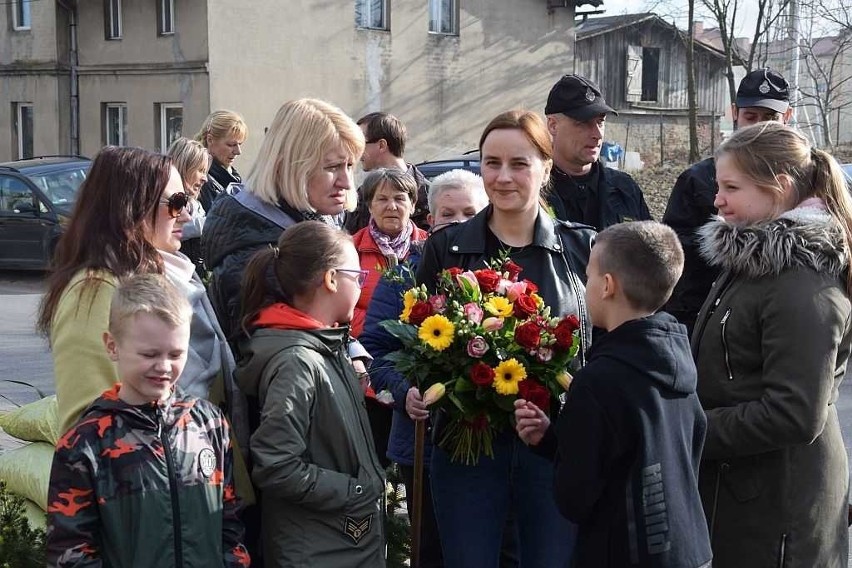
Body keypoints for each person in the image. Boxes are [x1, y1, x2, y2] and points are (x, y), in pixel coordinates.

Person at [412, 109, 595, 567]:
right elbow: (417, 345)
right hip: (467, 449)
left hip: (552, 448)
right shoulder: (444, 248)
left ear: (546, 167)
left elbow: (602, 349)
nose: (503, 177)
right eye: (491, 163)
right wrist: (414, 388)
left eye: (519, 163)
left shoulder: (582, 248)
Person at [691, 122, 852, 566]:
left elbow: (794, 414)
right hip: (744, 493)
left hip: (781, 511)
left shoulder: (802, 279)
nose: (717, 199)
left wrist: (691, 428)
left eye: (730, 187)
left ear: (778, 188)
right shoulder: (754, 258)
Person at [514, 221, 712, 568]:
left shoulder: (599, 380)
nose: (585, 283)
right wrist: (552, 439)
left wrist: (567, 447)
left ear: (607, 285)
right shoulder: (677, 361)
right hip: (687, 549)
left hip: (622, 551)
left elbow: (575, 497)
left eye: (588, 275)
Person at [46, 274, 249, 567]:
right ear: (112, 346)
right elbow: (70, 552)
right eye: (149, 354)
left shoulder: (210, 425)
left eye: (176, 353)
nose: (164, 366)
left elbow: (229, 521)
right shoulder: (85, 444)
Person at [236, 221, 386, 567]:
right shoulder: (297, 361)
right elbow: (277, 465)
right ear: (332, 279)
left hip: (340, 541)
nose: (362, 286)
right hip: (318, 550)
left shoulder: (325, 348)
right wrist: (357, 491)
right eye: (357, 276)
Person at [360, 168, 489, 568]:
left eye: (470, 213)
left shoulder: (503, 275)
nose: (459, 224)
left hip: (491, 438)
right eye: (448, 215)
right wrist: (404, 391)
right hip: (424, 439)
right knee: (431, 549)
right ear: (429, 220)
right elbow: (375, 348)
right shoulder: (403, 273)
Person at [37, 146, 179, 435]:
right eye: (176, 202)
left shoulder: (159, 277)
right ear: (133, 206)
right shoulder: (95, 290)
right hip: (138, 475)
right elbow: (86, 424)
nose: (186, 214)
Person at [202, 98, 364, 346]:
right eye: (332, 167)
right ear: (290, 165)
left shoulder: (315, 214)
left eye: (350, 166)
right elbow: (276, 363)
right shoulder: (251, 249)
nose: (347, 182)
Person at [663, 67, 792, 333]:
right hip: (707, 319)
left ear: (787, 117)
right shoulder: (698, 179)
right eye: (750, 116)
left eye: (770, 118)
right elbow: (677, 258)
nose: (758, 127)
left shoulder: (803, 180)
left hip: (782, 318)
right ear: (735, 113)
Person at [544, 74, 652, 229]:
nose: (598, 134)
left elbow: (648, 249)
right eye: (583, 123)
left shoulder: (625, 189)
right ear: (553, 125)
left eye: (600, 122)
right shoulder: (533, 191)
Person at [351, 168, 428, 337]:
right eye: (382, 199)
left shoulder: (429, 246)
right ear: (370, 206)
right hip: (367, 345)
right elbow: (341, 307)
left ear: (413, 205)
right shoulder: (351, 249)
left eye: (400, 199)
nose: (391, 206)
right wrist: (387, 327)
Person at [345, 112, 430, 232]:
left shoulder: (430, 195)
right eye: (382, 199)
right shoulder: (362, 195)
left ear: (381, 145)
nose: (356, 152)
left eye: (361, 144)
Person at [168, 136, 210, 277]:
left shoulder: (196, 205)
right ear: (184, 168)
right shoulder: (165, 203)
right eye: (200, 170)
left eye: (205, 172)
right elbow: (176, 230)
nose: (205, 178)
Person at [196, 109, 248, 212]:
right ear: (210, 140)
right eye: (231, 145)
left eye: (239, 144)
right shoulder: (202, 182)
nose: (238, 151)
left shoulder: (230, 178)